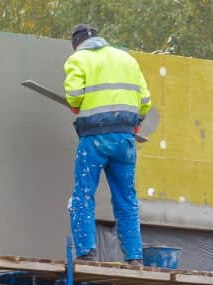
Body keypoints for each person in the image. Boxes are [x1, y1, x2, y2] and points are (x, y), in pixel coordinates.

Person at [64, 23, 151, 264]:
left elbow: (74, 97)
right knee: (126, 198)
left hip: (94, 139)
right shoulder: (127, 60)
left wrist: (81, 106)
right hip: (125, 139)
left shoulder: (78, 59)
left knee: (84, 194)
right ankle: (134, 257)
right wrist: (135, 122)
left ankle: (87, 253)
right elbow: (145, 100)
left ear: (77, 44)